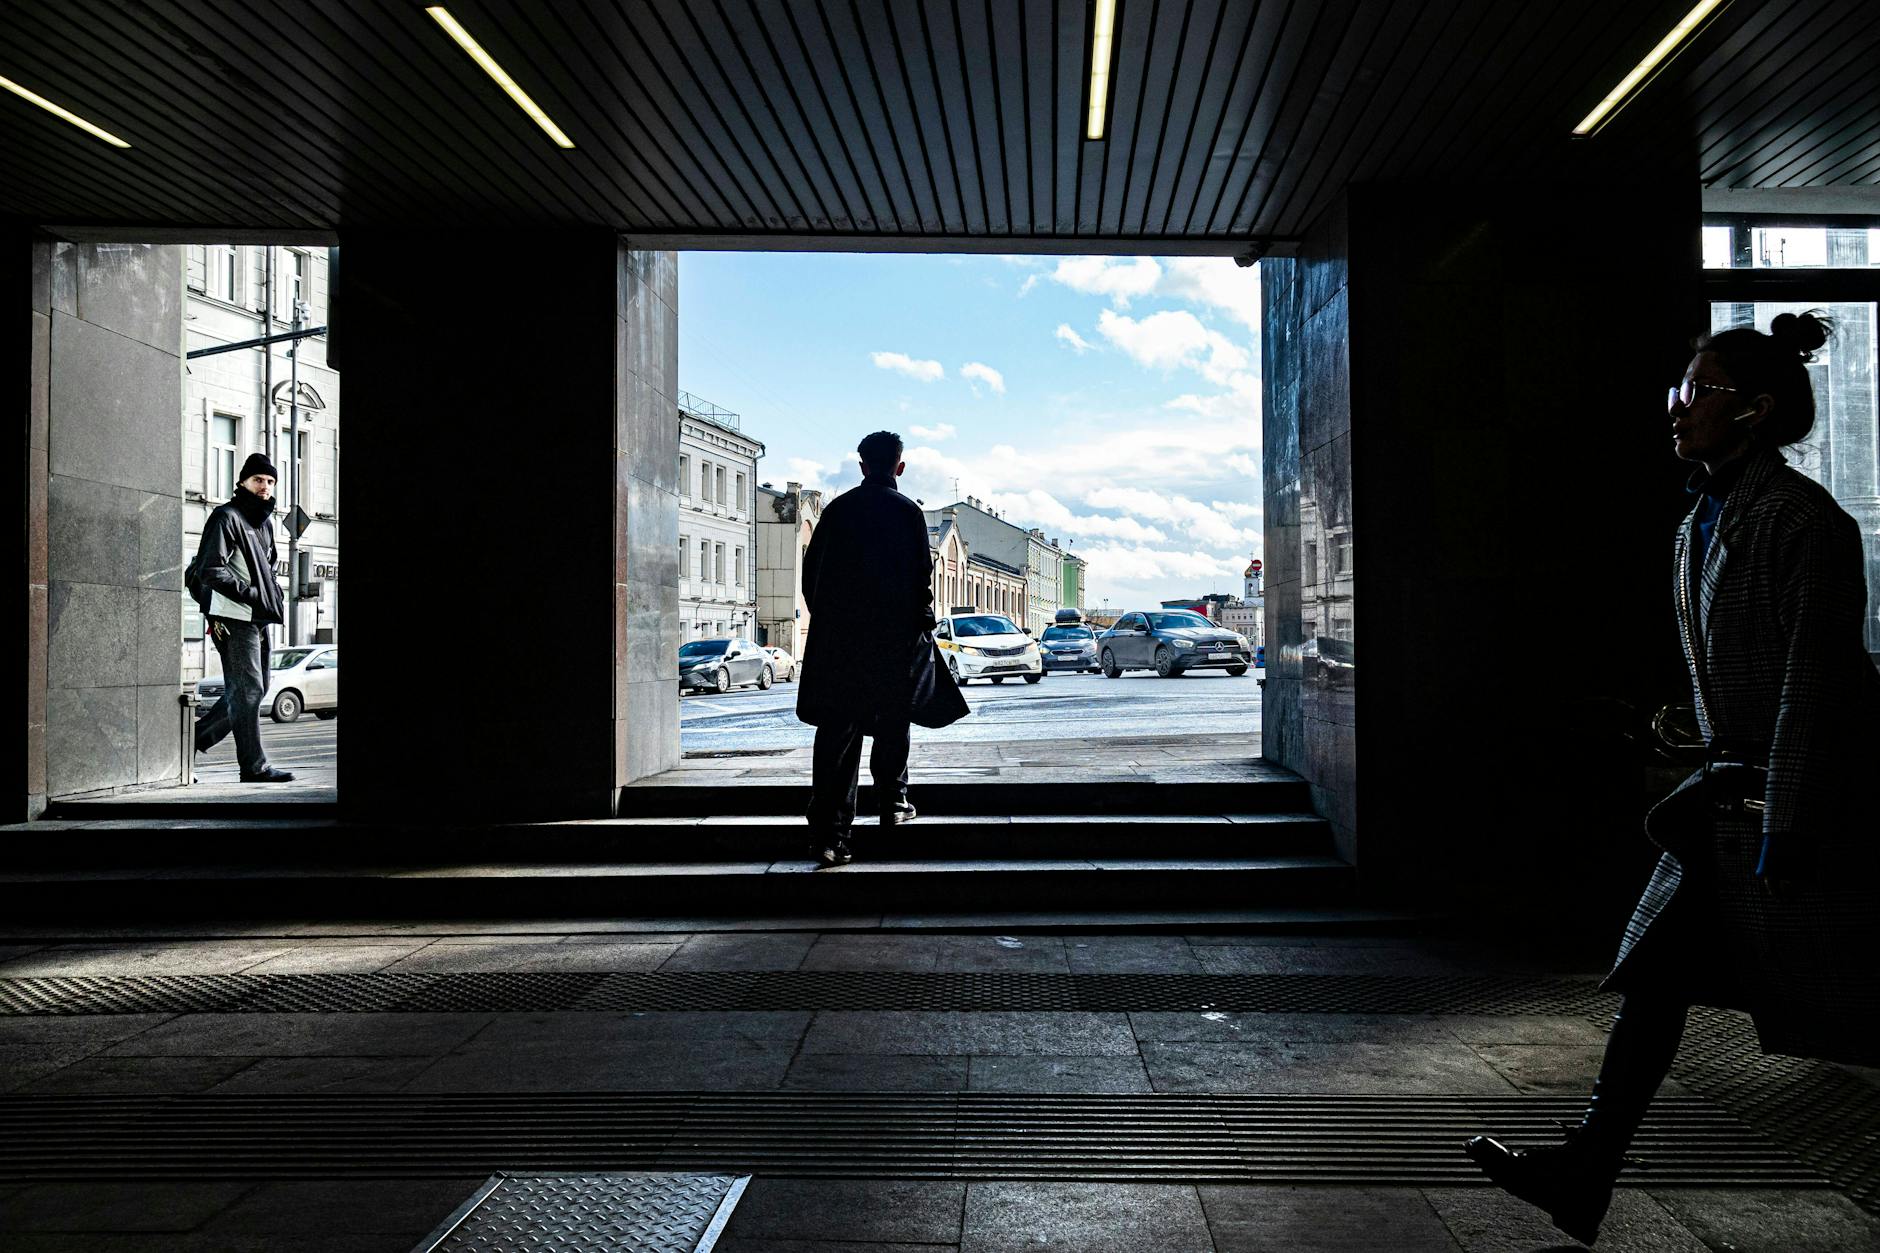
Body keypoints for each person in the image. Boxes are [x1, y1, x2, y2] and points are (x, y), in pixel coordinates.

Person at [1466, 311, 1880, 1244]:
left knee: (1849, 995)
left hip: (1799, 801)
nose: (1677, 408)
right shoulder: (1702, 519)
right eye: (1677, 391)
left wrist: (1793, 825)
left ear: (1759, 410)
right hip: (1730, 797)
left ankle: (1586, 1167)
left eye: (1698, 391)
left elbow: (1814, 686)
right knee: (1656, 976)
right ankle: (1588, 1166)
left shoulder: (1805, 521)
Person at [795, 430, 966, 866]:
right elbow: (919, 579)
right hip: (892, 641)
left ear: (861, 465)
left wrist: (832, 622)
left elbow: (811, 574)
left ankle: (829, 837)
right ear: (899, 466)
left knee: (837, 735)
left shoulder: (836, 510)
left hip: (841, 643)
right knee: (894, 719)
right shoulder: (908, 512)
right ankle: (892, 803)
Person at [190, 453, 294, 783]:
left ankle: (192, 739)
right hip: (232, 616)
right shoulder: (226, 517)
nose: (265, 486)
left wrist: (269, 595)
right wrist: (249, 593)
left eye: (270, 481)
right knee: (248, 689)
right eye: (258, 480)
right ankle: (254, 767)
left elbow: (270, 568)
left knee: (253, 689)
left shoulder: (263, 523)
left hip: (258, 617)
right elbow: (210, 569)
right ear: (243, 482)